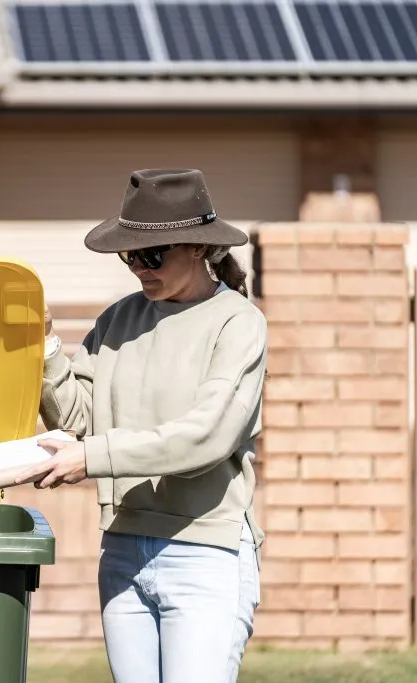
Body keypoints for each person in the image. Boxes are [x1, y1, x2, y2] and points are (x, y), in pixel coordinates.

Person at [16, 168, 266, 683]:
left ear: (197, 247)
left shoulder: (238, 323)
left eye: (151, 255)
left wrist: (92, 459)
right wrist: (43, 342)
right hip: (124, 550)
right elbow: (78, 419)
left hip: (205, 553)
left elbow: (207, 437)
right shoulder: (117, 320)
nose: (137, 267)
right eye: (129, 254)